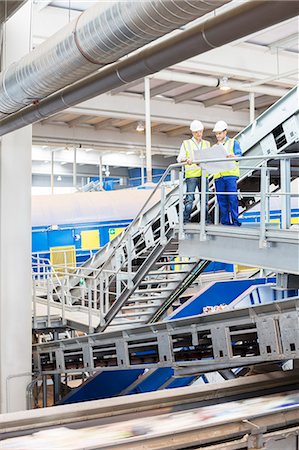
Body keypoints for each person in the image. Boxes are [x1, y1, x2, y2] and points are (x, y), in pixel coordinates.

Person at [177, 120, 211, 223]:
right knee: (190, 199)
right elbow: (179, 158)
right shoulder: (186, 143)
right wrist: (187, 159)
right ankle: (185, 220)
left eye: (200, 131)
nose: (199, 134)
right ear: (192, 132)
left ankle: (205, 220)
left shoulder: (207, 143)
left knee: (204, 199)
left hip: (204, 174)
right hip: (191, 175)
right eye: (196, 132)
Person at [212, 120, 242, 226]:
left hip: (230, 175)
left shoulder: (233, 142)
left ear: (225, 132)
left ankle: (235, 221)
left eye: (219, 133)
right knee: (222, 200)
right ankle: (225, 222)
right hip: (218, 176)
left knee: (232, 198)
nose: (218, 136)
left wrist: (233, 156)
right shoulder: (215, 147)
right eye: (216, 134)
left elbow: (240, 156)